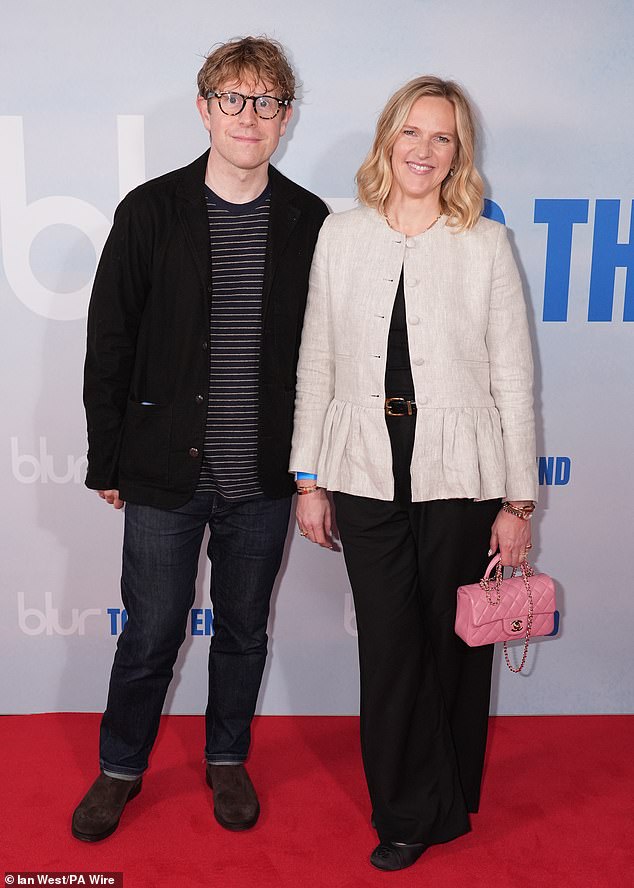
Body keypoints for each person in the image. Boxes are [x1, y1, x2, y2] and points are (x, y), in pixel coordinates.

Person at [74, 36, 328, 842]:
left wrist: (313, 469)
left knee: (245, 631)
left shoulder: (309, 220)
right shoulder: (150, 210)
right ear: (204, 106)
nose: (249, 117)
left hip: (262, 475)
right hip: (160, 470)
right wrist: (107, 457)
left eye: (266, 103)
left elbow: (325, 356)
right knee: (149, 633)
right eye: (233, 99)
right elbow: (109, 341)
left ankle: (227, 760)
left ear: (285, 118)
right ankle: (120, 769)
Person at [290, 75, 537, 871]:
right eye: (412, 132)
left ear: (459, 152)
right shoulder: (342, 234)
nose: (424, 150)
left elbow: (514, 377)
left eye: (443, 137)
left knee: (451, 643)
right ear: (387, 138)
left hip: (460, 475)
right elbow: (317, 361)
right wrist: (309, 479)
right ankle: (403, 811)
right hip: (363, 470)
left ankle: (451, 789)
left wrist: (518, 500)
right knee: (392, 646)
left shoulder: (485, 242)